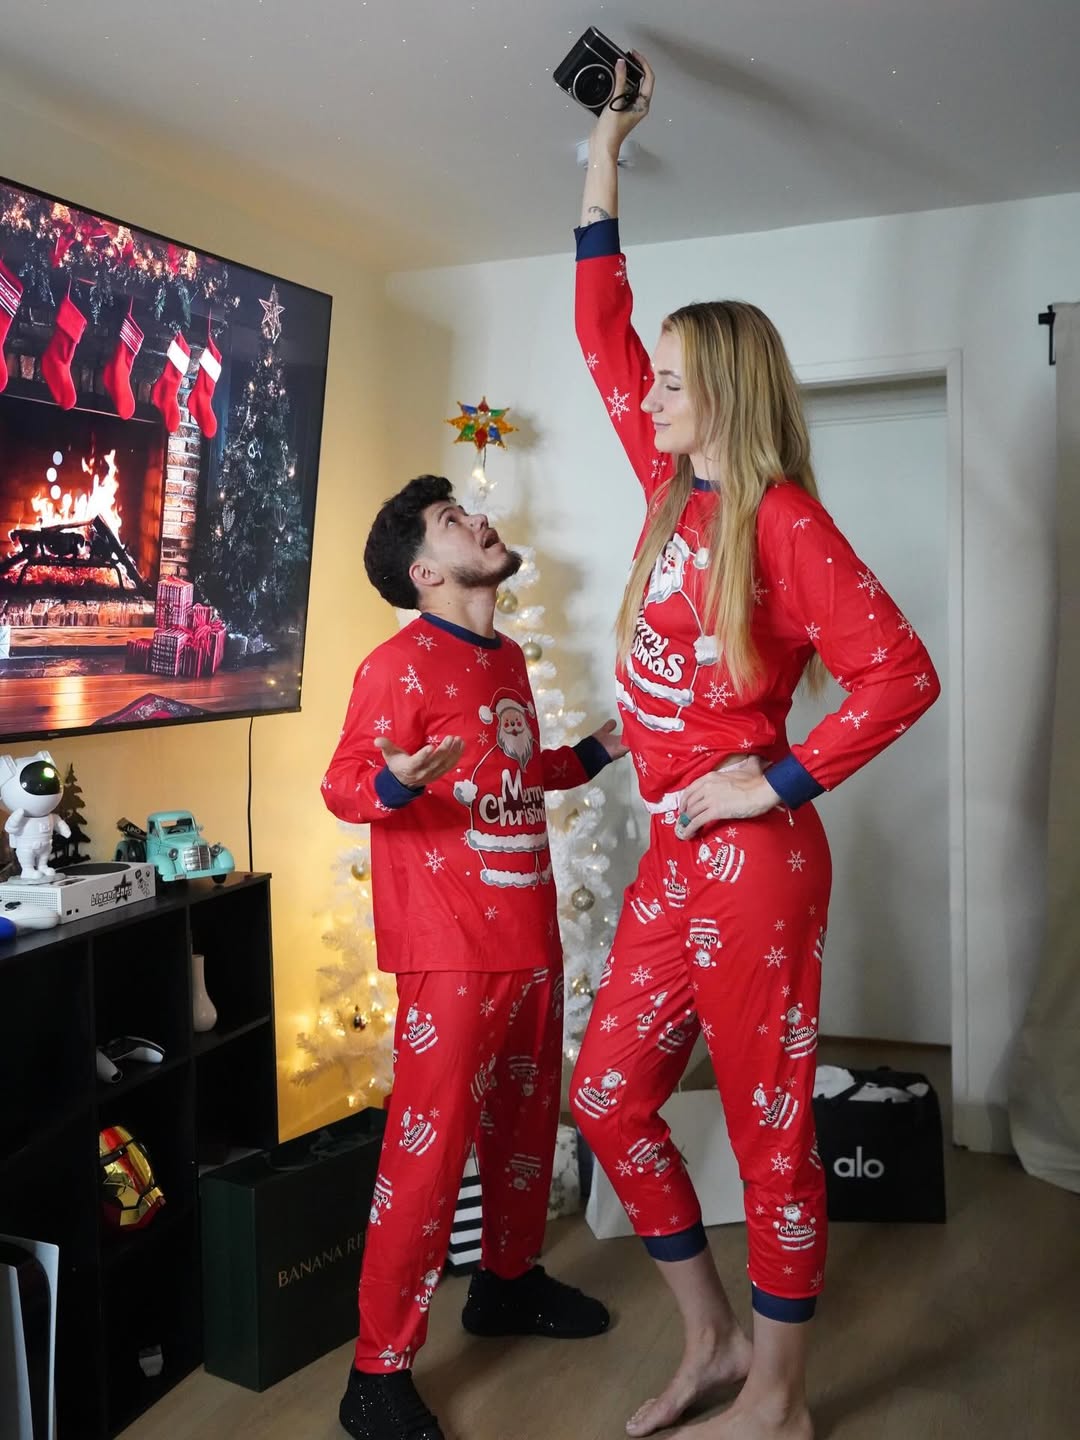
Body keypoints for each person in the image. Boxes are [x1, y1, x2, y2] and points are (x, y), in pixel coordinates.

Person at [568, 53, 941, 1440]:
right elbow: (601, 331)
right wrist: (605, 153)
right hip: (676, 860)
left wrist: (771, 777)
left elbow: (900, 675)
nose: (651, 394)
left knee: (769, 1124)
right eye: (656, 379)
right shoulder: (670, 488)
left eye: (674, 380)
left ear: (722, 389)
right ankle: (715, 1339)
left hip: (757, 864)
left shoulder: (782, 522)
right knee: (609, 1097)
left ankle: (779, 1402)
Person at [322, 474, 623, 1440]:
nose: (479, 522)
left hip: (530, 935)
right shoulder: (394, 666)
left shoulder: (506, 659)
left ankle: (506, 1282)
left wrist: (602, 747)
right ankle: (376, 1374)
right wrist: (395, 782)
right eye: (454, 522)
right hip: (449, 950)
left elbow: (518, 771)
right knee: (428, 1152)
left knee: (525, 1129)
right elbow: (342, 783)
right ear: (425, 572)